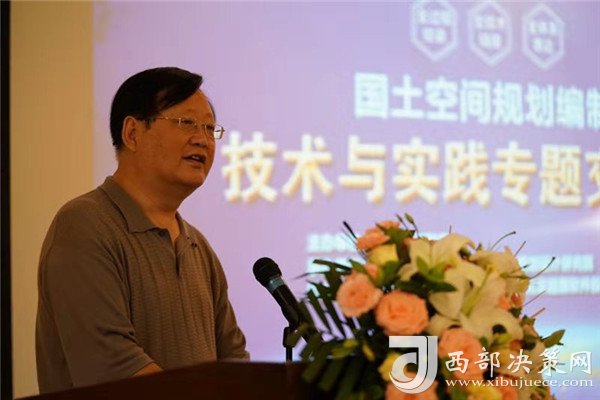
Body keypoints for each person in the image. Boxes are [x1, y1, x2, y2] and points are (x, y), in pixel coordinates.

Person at [36, 67, 249, 393]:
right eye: (186, 122)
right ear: (132, 133)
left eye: (209, 128)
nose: (202, 139)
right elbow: (114, 369)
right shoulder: (83, 226)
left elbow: (234, 363)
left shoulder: (197, 246)